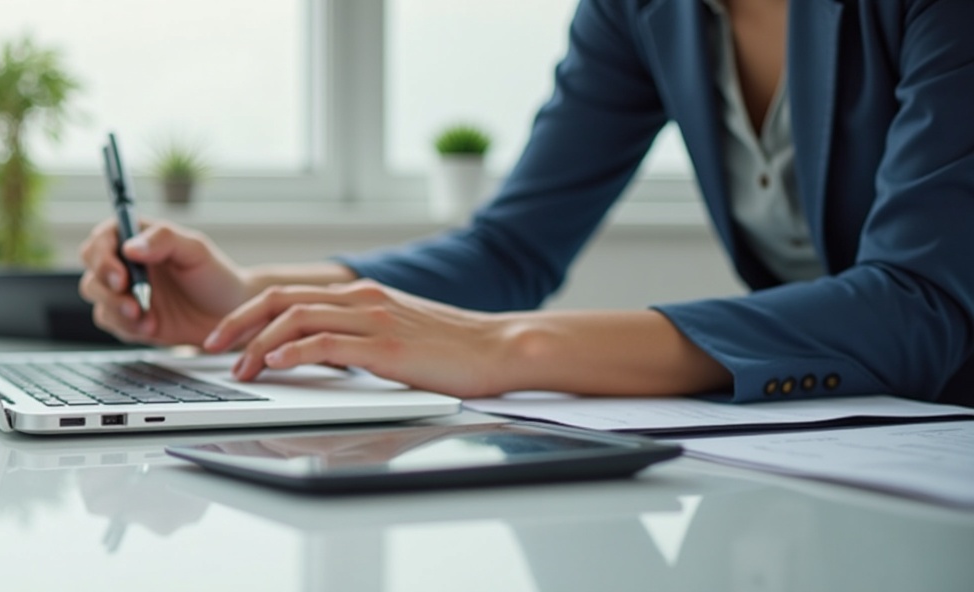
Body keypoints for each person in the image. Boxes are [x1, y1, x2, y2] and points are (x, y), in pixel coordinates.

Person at [78, 0, 974, 405]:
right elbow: (510, 251)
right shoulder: (640, 12)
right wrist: (251, 299)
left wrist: (510, 347)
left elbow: (920, 302)